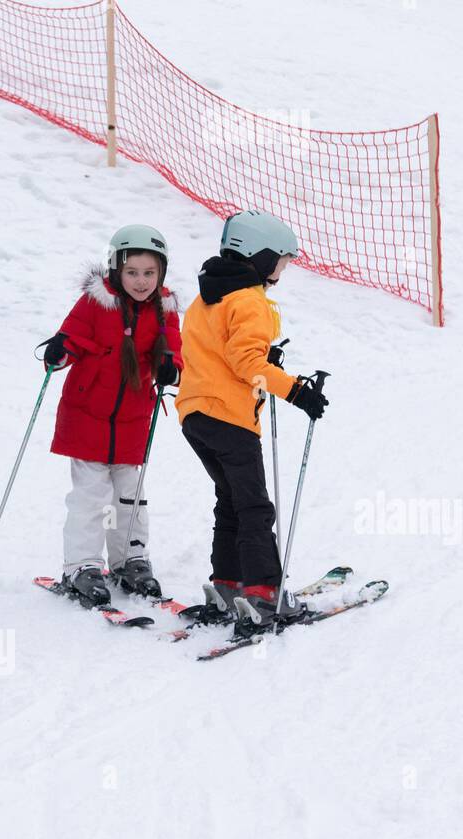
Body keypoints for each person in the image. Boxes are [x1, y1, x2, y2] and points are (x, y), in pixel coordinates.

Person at [176, 209, 329, 628]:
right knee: (255, 507)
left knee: (231, 503)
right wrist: (296, 390)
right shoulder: (250, 301)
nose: (281, 271)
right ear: (259, 256)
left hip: (195, 415)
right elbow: (245, 361)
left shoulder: (206, 299)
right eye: (280, 262)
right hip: (230, 419)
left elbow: (215, 353)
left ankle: (227, 584)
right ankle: (263, 591)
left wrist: (265, 361)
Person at [43, 224, 183, 604]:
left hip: (132, 420)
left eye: (149, 273)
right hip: (86, 415)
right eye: (133, 272)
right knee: (91, 497)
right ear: (116, 270)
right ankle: (82, 565)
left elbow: (171, 347)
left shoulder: (165, 309)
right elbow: (73, 336)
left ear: (161, 274)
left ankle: (130, 560)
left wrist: (171, 365)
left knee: (129, 496)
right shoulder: (96, 302)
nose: (141, 281)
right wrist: (59, 351)